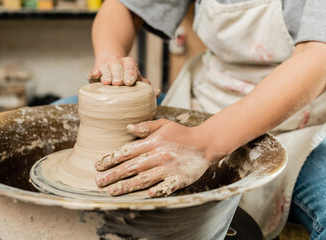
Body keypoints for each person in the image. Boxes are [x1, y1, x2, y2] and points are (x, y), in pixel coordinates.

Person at [57, 0, 326, 239]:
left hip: (300, 121)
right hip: (206, 98)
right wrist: (111, 59)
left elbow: (317, 58)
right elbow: (123, 8)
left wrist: (203, 142)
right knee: (61, 111)